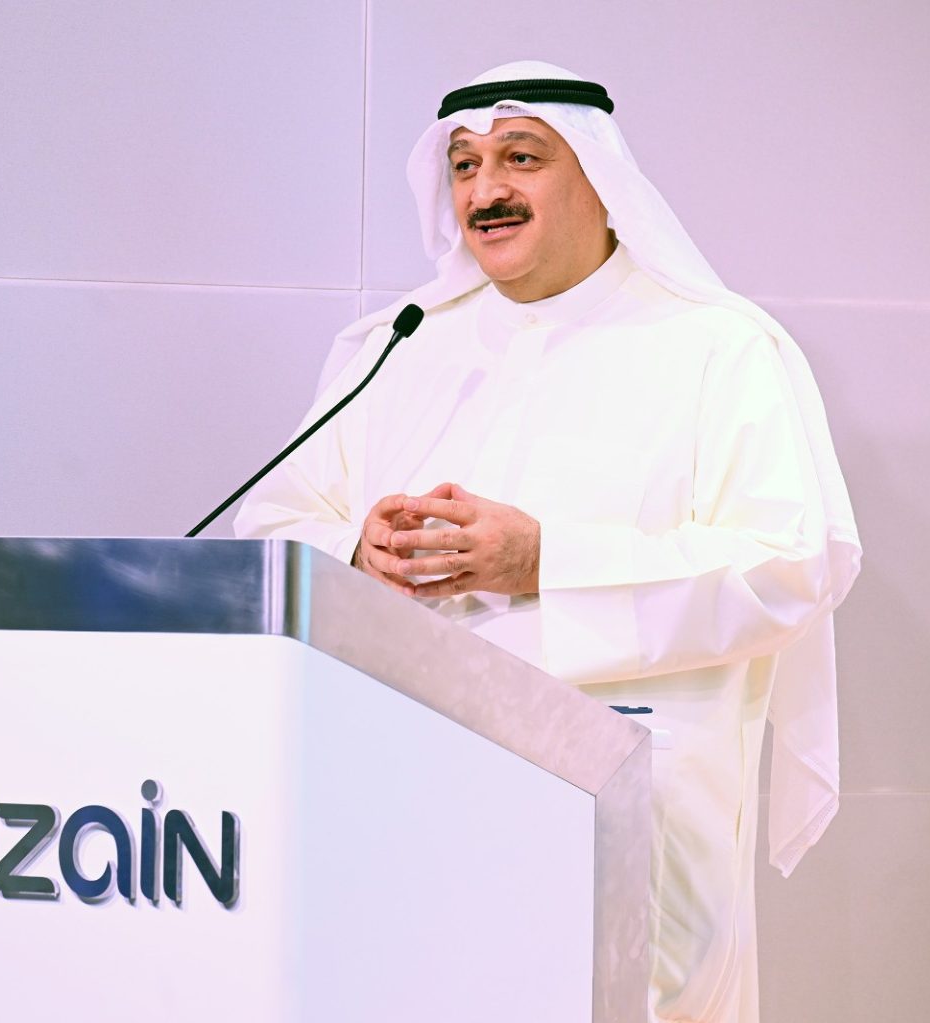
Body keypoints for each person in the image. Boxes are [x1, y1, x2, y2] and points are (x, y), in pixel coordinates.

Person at [234, 60, 861, 1023]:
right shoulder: (399, 347)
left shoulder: (718, 348)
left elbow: (795, 561)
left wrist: (545, 561)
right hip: (402, 806)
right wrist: (358, 550)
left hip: (623, 820)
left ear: (601, 181)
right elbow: (272, 527)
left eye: (521, 158)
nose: (485, 190)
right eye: (464, 165)